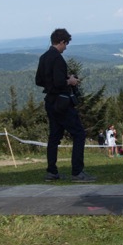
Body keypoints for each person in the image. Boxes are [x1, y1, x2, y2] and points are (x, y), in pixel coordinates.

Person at [35, 28, 93, 182]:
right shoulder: (58, 59)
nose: (65, 47)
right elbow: (60, 83)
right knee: (79, 134)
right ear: (61, 42)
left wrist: (53, 83)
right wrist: (70, 81)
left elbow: (38, 81)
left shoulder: (43, 57)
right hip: (62, 102)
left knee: (54, 137)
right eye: (65, 44)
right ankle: (77, 172)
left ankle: (52, 171)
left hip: (50, 101)